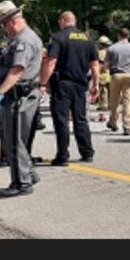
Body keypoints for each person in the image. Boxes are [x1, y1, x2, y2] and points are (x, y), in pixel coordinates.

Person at [0, 0, 43, 197]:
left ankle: (21, 183)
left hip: (18, 96)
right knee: (12, 138)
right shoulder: (20, 39)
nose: (3, 29)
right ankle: (27, 173)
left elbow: (17, 70)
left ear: (12, 21)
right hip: (17, 95)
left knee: (14, 140)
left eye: (3, 25)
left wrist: (0, 92)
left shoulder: (24, 41)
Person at [40, 11, 99, 165]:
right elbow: (94, 64)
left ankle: (62, 155)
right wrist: (96, 84)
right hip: (81, 84)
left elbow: (51, 62)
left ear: (63, 21)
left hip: (62, 84)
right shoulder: (87, 39)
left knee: (61, 119)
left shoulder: (58, 37)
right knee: (80, 119)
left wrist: (42, 83)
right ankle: (87, 152)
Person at [104, 28, 130, 136]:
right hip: (129, 75)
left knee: (114, 101)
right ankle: (127, 126)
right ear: (128, 36)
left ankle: (113, 122)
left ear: (118, 35)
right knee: (127, 101)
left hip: (115, 75)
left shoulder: (111, 48)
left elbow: (106, 65)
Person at [96, 35, 112, 116]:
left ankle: (103, 106)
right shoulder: (110, 52)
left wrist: (97, 73)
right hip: (110, 73)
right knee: (110, 90)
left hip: (103, 73)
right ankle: (111, 105)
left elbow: (99, 64)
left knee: (103, 90)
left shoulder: (100, 53)